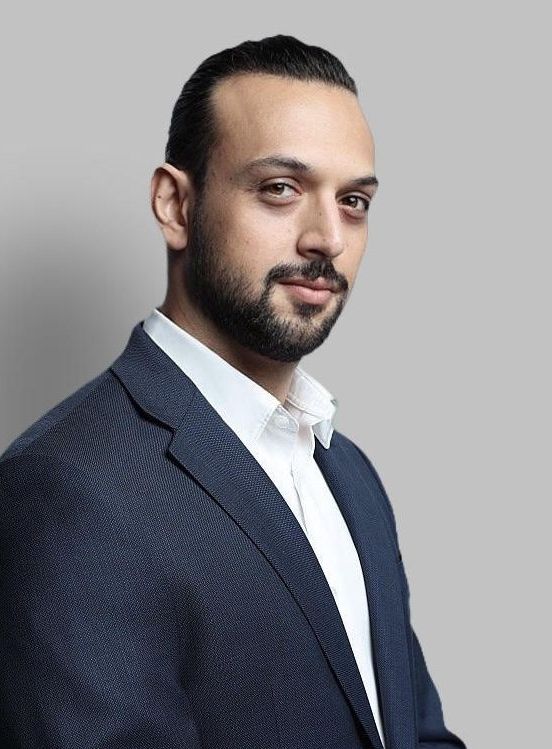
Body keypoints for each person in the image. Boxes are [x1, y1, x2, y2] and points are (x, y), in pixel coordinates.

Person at [0, 34, 467, 749]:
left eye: (353, 201)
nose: (327, 238)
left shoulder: (350, 475)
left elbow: (417, 734)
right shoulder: (68, 489)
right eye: (280, 189)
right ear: (175, 205)